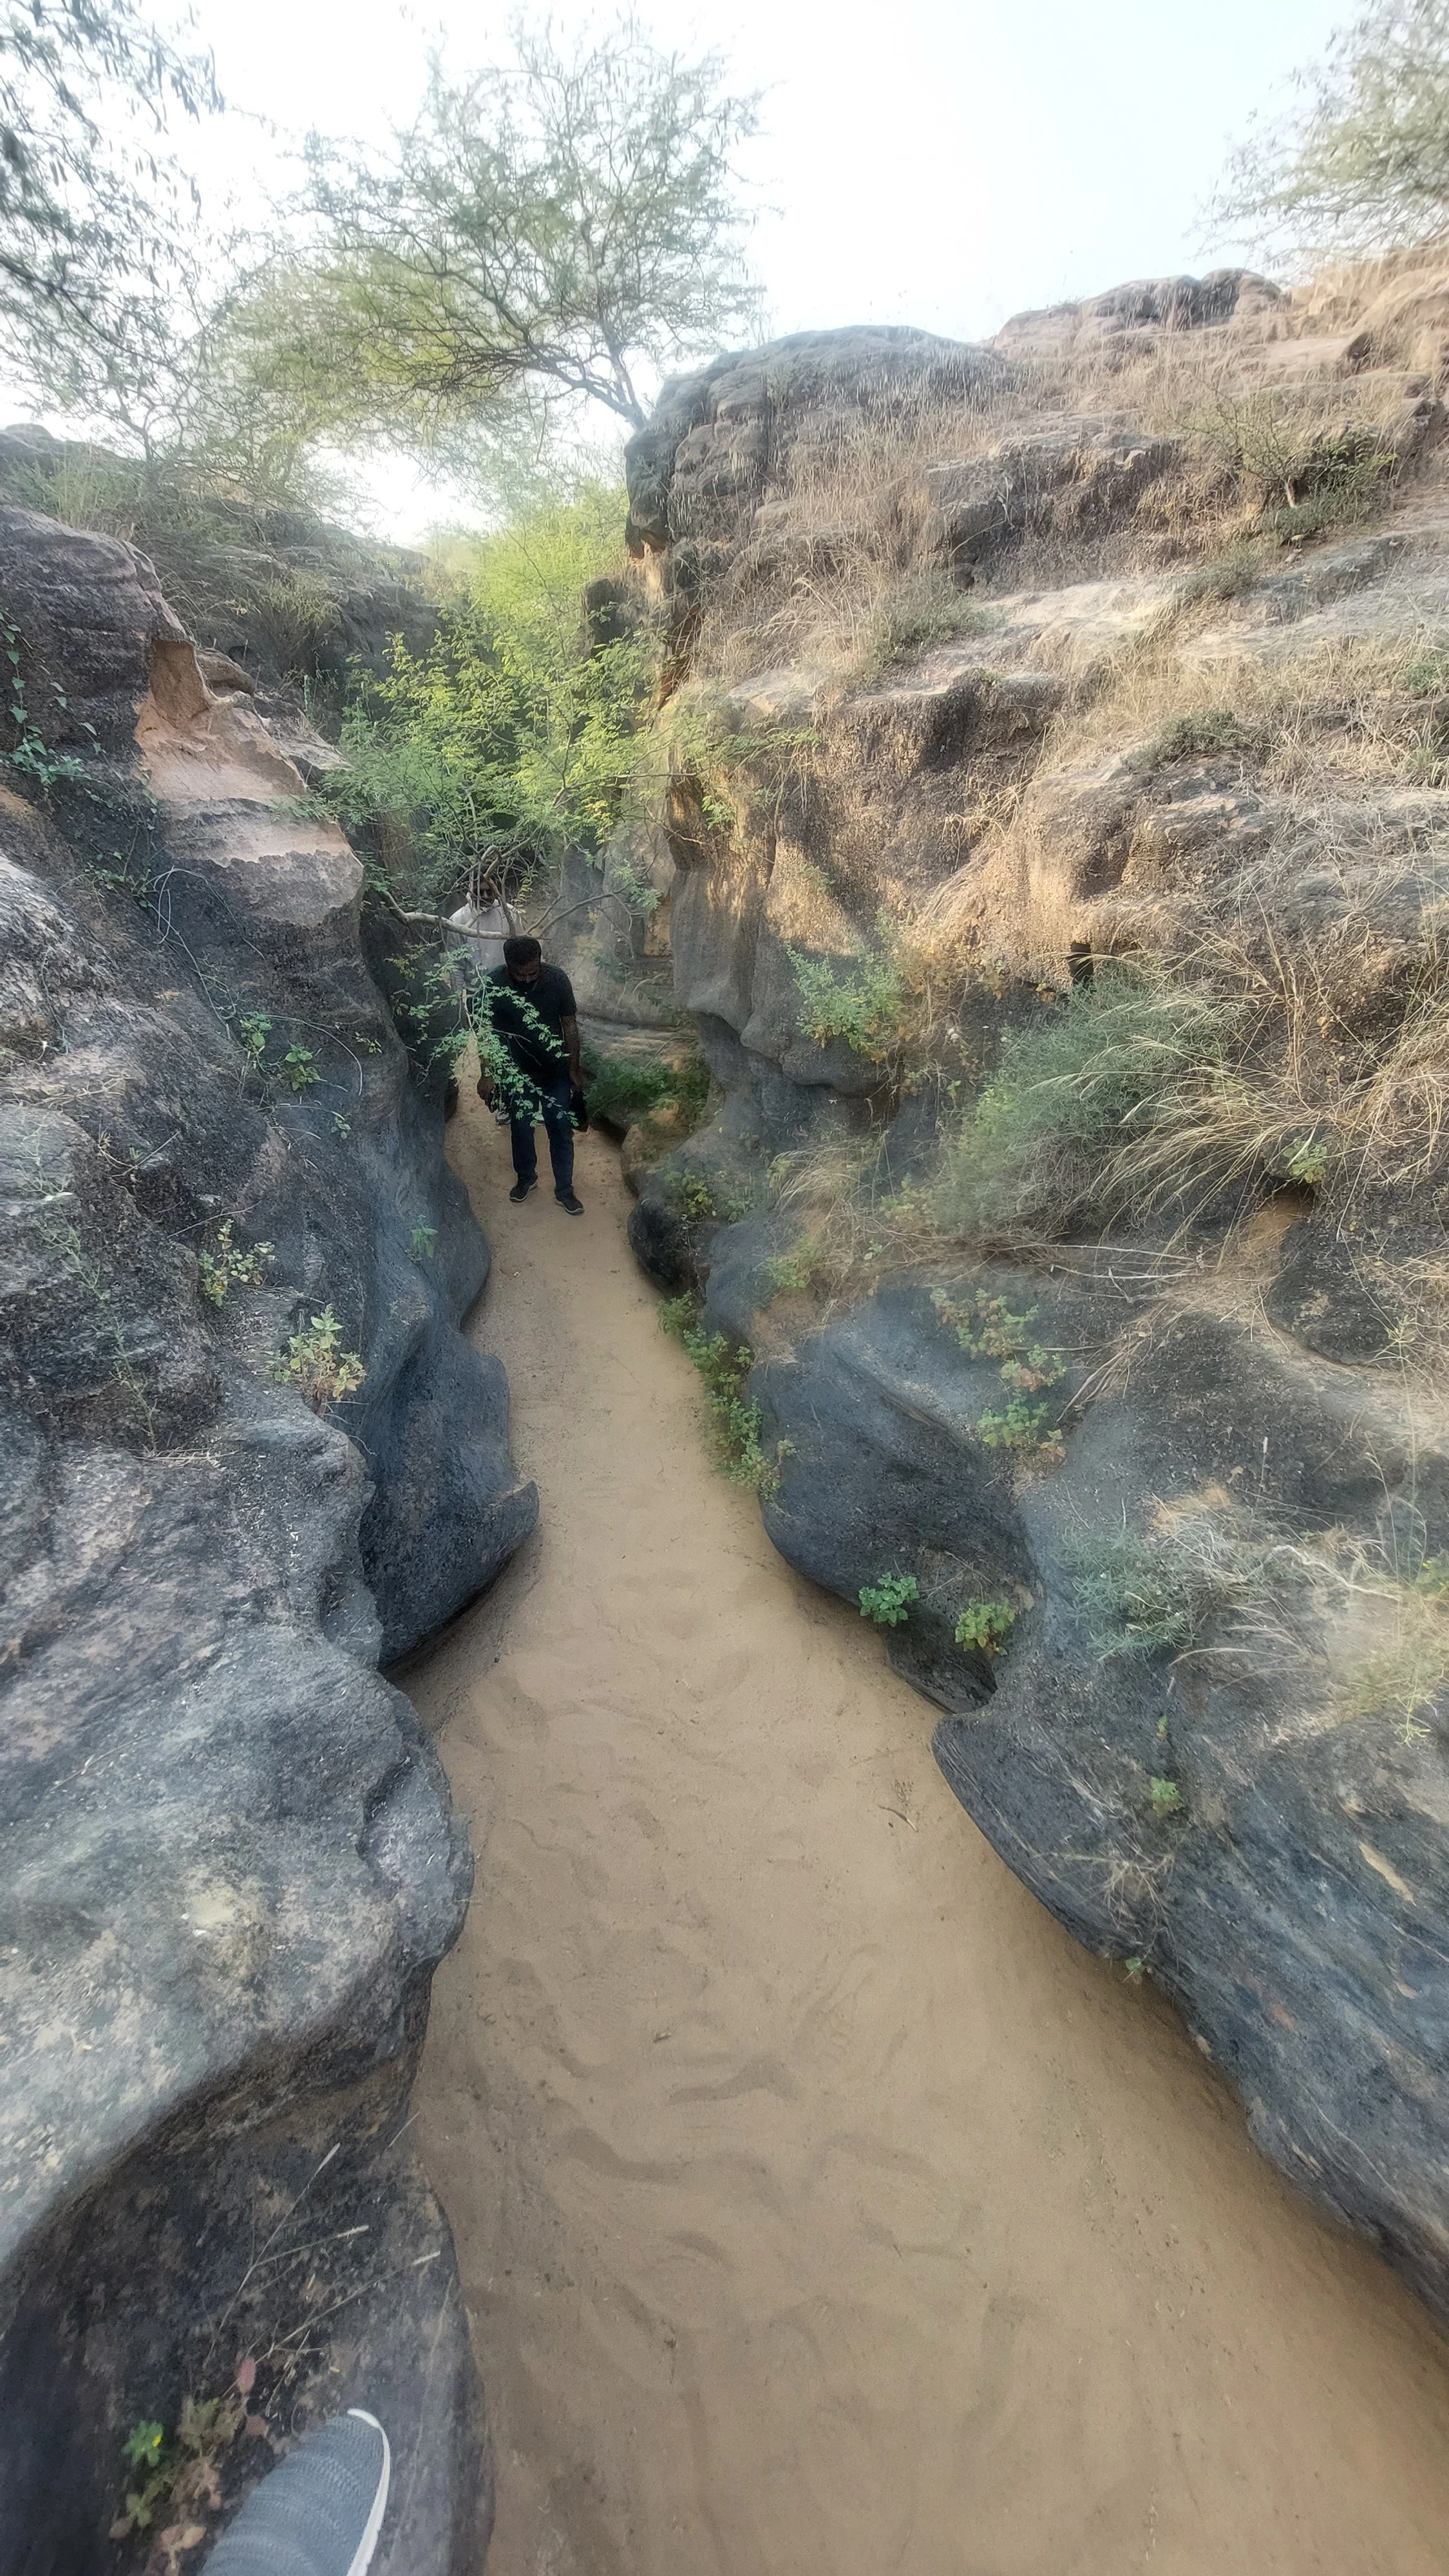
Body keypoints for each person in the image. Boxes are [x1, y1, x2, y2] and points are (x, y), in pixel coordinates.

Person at [475, 934, 588, 1215]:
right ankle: (526, 1178)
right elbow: (486, 1031)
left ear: (540, 961)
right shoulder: (493, 983)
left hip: (555, 1070)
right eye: (520, 974)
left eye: (533, 972)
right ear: (507, 965)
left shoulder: (558, 980)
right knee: (521, 1126)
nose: (527, 979)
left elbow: (570, 1026)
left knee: (560, 1128)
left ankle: (565, 1190)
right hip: (516, 1071)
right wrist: (488, 1073)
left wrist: (574, 1068)